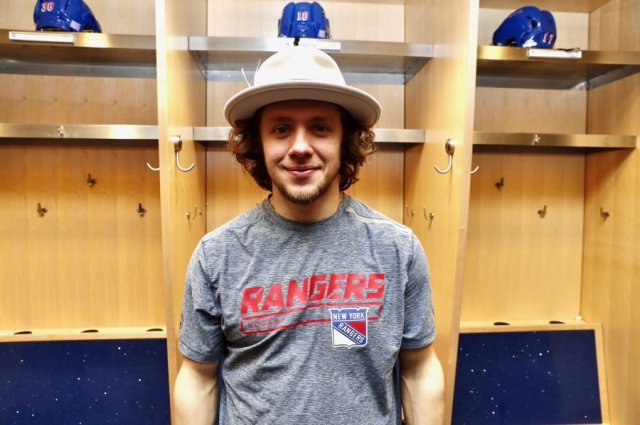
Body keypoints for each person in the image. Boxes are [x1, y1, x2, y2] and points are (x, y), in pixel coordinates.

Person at [173, 46, 444, 425]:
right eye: (281, 129)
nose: (300, 147)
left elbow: (419, 369)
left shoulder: (398, 249)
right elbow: (198, 378)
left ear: (345, 140)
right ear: (259, 143)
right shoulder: (217, 254)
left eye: (320, 128)